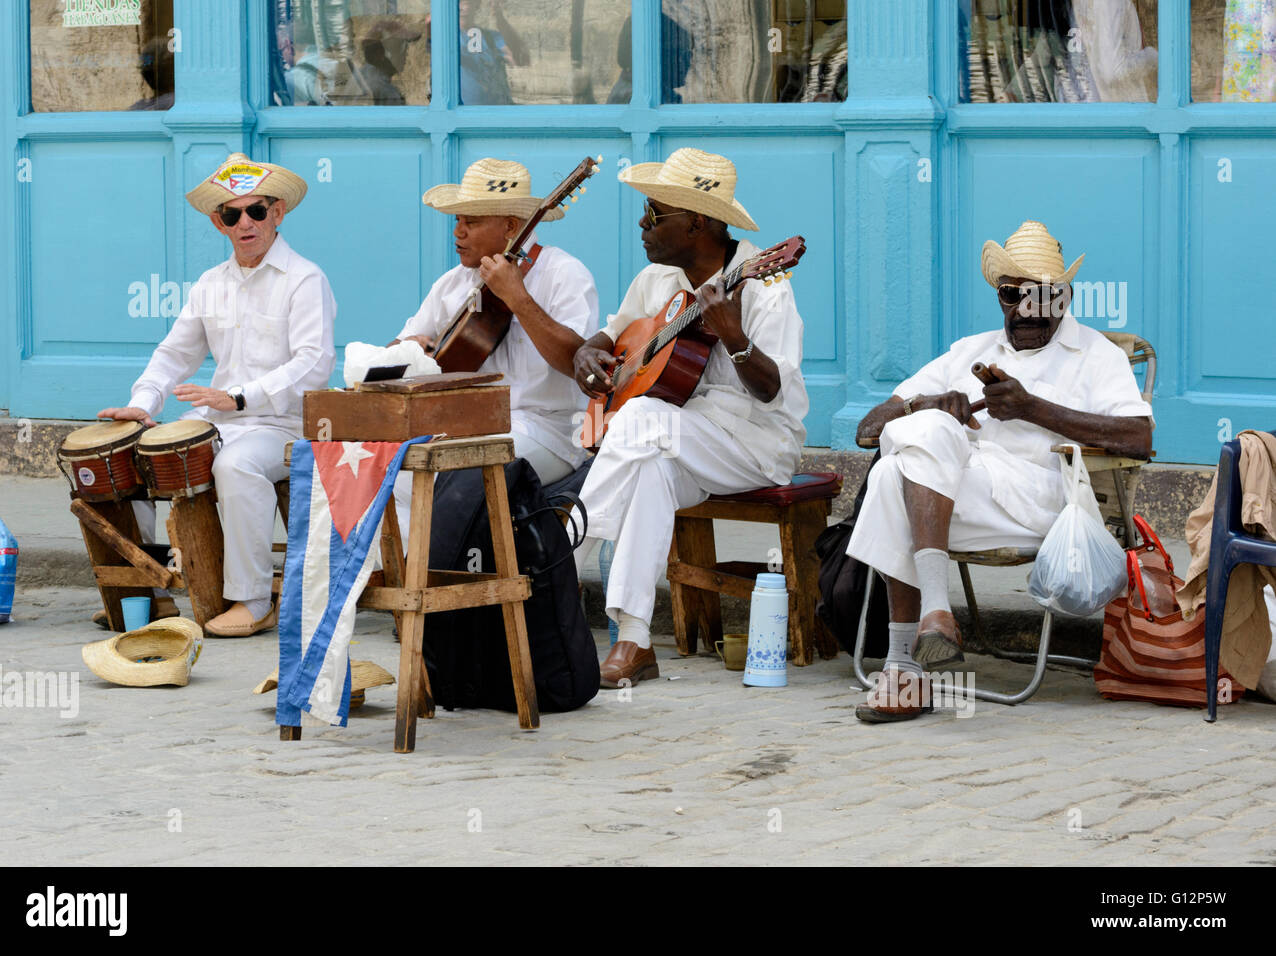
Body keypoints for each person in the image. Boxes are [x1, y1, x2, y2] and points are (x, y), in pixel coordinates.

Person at [846, 220, 1153, 722]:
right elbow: (868, 427)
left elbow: (1139, 438)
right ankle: (933, 625)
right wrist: (926, 404)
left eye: (1042, 295)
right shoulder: (971, 350)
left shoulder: (1096, 353)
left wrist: (1033, 408)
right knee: (902, 458)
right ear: (999, 297)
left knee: (900, 468)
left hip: (1042, 504)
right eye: (1013, 295)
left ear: (1064, 296)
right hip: (953, 500)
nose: (1026, 309)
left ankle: (906, 664)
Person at [572, 148, 809, 688]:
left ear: (697, 223)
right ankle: (633, 641)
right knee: (650, 468)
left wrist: (734, 335)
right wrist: (591, 350)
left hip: (756, 441)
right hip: (683, 434)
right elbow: (617, 332)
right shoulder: (658, 278)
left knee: (640, 419)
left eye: (654, 214)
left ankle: (565, 553)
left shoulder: (765, 284)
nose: (641, 223)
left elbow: (773, 392)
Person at [97, 153, 336, 637]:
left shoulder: (305, 279)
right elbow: (173, 354)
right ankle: (149, 594)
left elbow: (315, 364)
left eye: (256, 211)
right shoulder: (210, 284)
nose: (245, 222)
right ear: (218, 222)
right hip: (223, 422)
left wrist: (240, 397)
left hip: (284, 425)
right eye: (232, 214)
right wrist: (143, 404)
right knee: (133, 452)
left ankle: (252, 600)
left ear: (278, 212)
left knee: (236, 465)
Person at [388, 157, 598, 540]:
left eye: (472, 221)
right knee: (390, 472)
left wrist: (518, 298)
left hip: (549, 432)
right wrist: (408, 350)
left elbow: (577, 365)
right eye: (457, 221)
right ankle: (414, 581)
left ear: (511, 226)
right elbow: (396, 349)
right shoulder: (452, 283)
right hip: (466, 427)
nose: (459, 232)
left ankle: (450, 585)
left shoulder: (564, 274)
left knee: (457, 473)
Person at [458, 0, 529, 105]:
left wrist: (499, 17)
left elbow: (519, 59)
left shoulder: (491, 37)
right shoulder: (445, 39)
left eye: (467, 2)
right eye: (457, 2)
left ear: (477, 5)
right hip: (460, 114)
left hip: (495, 111)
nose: (461, 7)